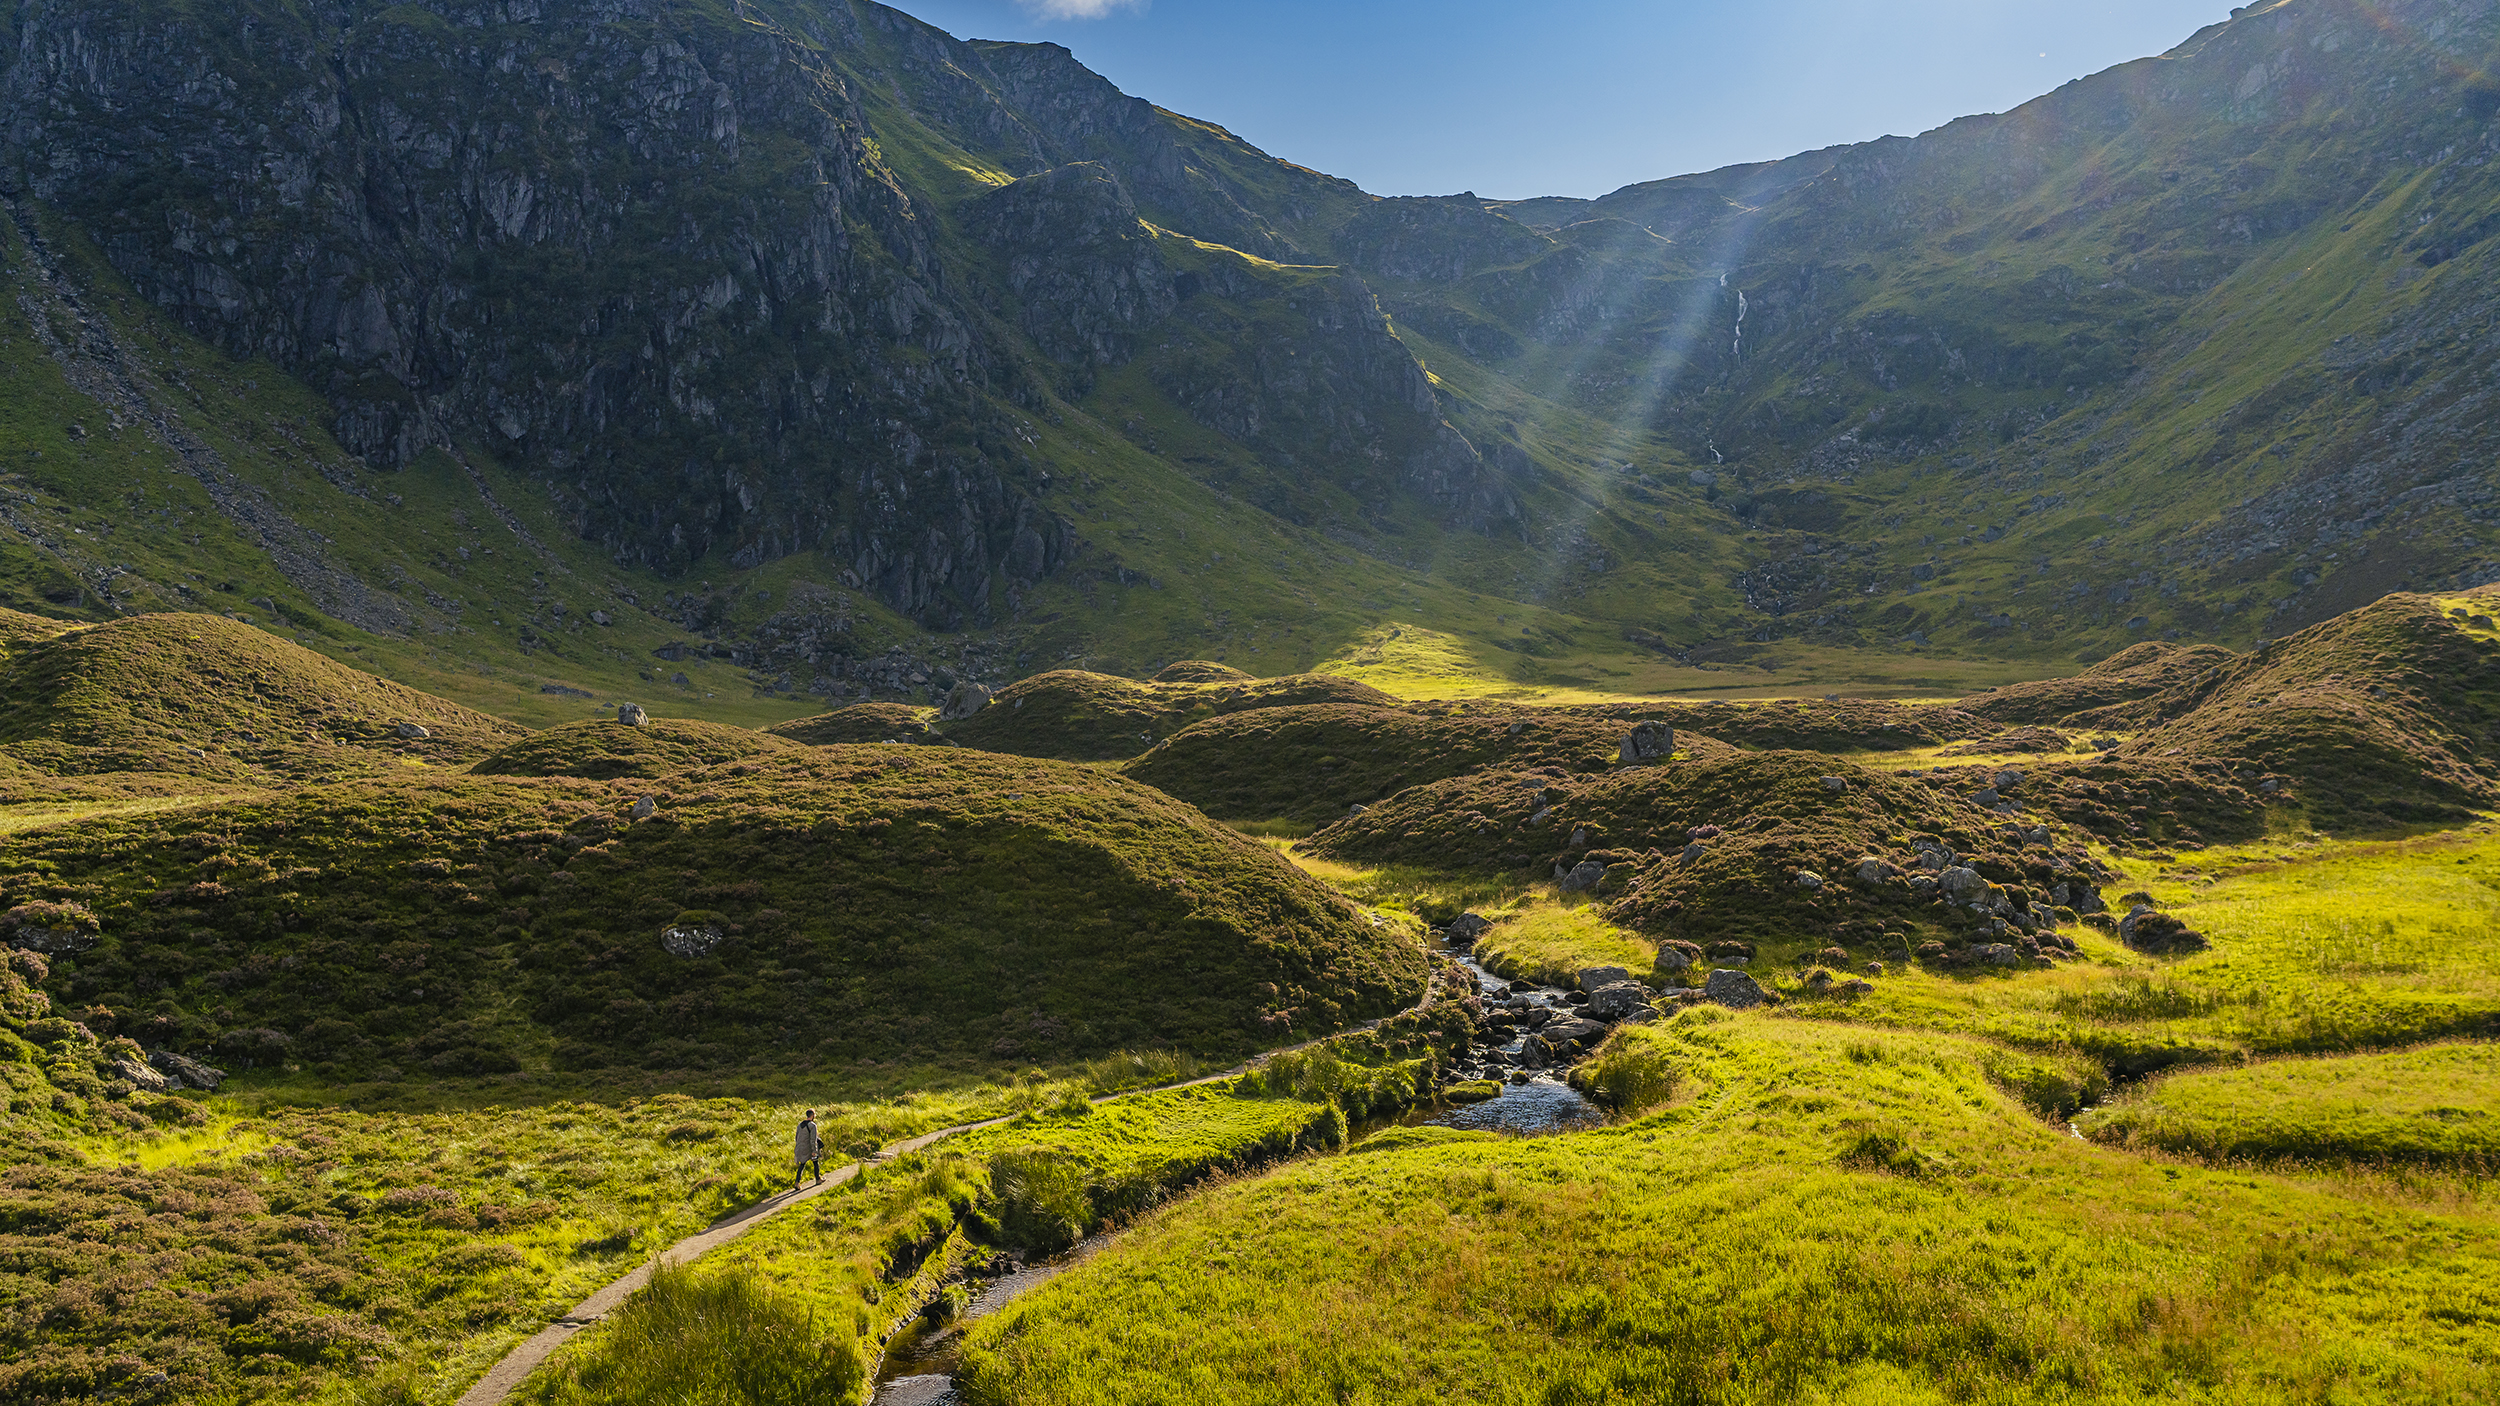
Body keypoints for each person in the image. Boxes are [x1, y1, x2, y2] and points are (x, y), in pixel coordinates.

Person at [793, 1110, 822, 1189]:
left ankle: (797, 1182)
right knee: (815, 1162)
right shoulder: (812, 1126)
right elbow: (813, 1139)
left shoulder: (799, 1125)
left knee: (802, 1164)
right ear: (812, 1115)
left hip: (800, 1148)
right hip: (808, 1147)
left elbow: (796, 1138)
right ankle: (818, 1179)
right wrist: (814, 1150)